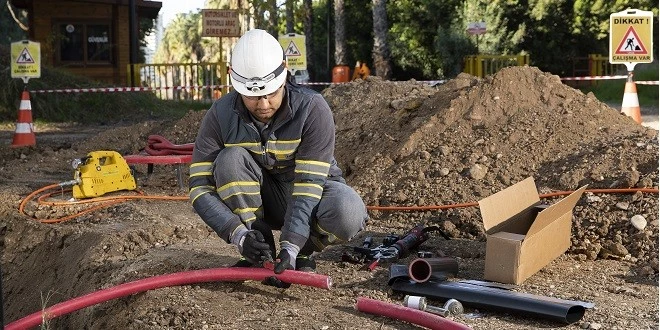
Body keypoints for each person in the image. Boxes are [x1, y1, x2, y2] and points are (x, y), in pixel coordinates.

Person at [188, 29, 368, 276]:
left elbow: (308, 184)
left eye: (271, 92)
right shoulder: (220, 114)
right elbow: (199, 187)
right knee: (229, 160)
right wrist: (239, 235)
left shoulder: (312, 109)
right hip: (262, 200)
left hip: (311, 197)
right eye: (252, 96)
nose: (263, 105)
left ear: (284, 71)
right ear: (233, 77)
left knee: (348, 211)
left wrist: (292, 247)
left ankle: (305, 248)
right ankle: (258, 248)